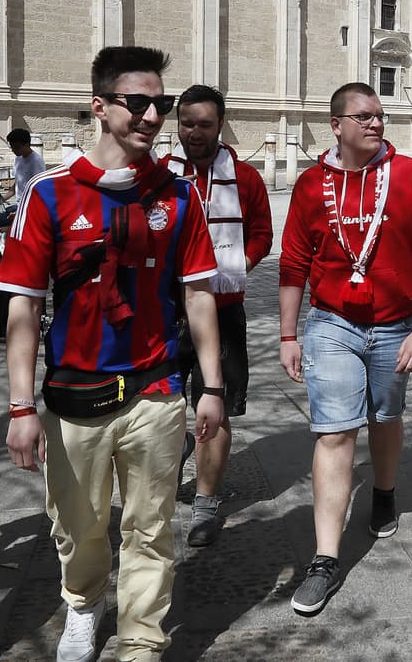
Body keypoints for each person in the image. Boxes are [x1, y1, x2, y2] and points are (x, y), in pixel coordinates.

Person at [0, 46, 224, 662]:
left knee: (151, 528)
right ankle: (83, 601)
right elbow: (21, 309)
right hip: (76, 393)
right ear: (100, 107)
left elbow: (199, 296)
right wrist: (20, 408)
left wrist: (212, 386)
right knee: (78, 528)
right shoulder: (47, 196)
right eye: (138, 103)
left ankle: (141, 640)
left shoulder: (178, 196)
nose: (153, 116)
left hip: (155, 388)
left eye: (162, 104)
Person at [279, 82, 412, 616]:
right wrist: (288, 334)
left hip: (396, 324)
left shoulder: (409, 177)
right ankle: (325, 559)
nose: (376, 124)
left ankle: (382, 490)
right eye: (364, 116)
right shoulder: (312, 184)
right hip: (332, 323)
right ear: (337, 125)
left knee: (384, 415)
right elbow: (293, 264)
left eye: (380, 116)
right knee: (334, 431)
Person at [161, 84, 273, 547]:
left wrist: (235, 266)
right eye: (187, 123)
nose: (195, 133)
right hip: (166, 310)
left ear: (220, 125)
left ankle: (206, 503)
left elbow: (263, 233)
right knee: (159, 404)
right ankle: (172, 453)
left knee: (217, 407)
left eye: (205, 124)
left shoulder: (244, 178)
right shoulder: (157, 175)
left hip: (223, 310)